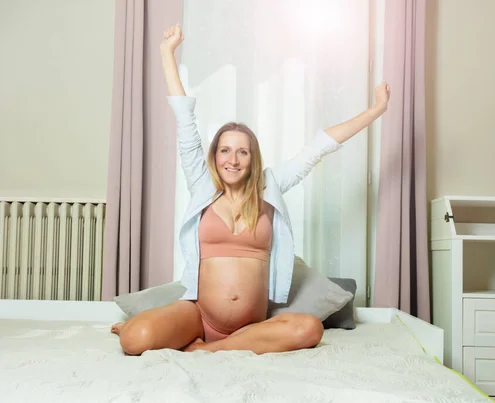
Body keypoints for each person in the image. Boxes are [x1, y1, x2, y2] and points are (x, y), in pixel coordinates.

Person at [111, 23, 391, 355]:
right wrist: (166, 53)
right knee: (133, 340)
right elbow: (185, 119)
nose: (233, 159)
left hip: (253, 326)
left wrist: (375, 111)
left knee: (310, 328)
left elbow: (319, 146)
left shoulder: (269, 185)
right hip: (198, 316)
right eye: (225, 150)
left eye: (242, 151)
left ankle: (208, 350)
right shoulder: (202, 185)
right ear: (214, 156)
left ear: (252, 157)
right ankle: (196, 339)